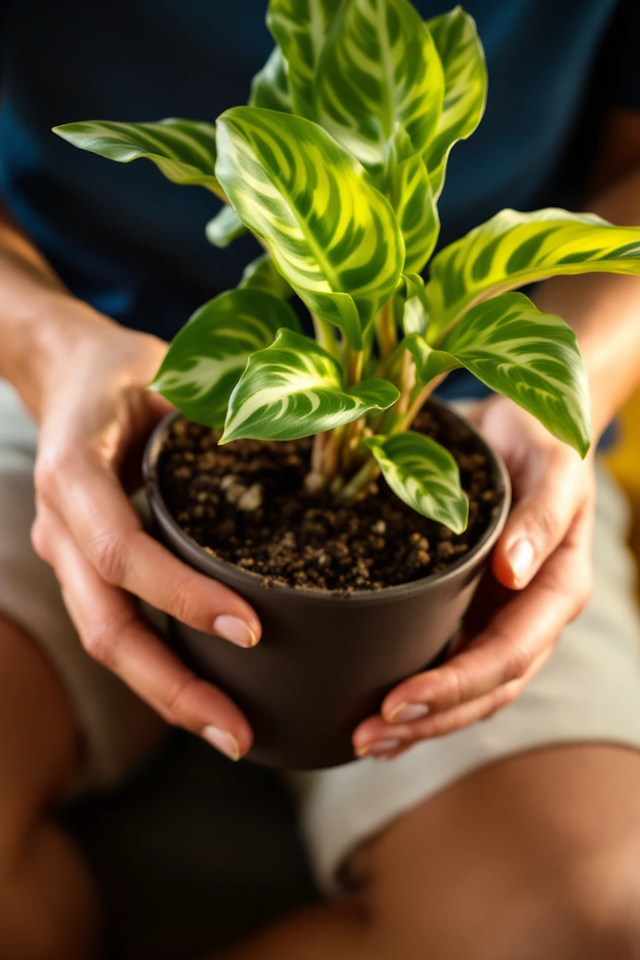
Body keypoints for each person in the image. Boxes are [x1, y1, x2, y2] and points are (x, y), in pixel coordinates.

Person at [1, 0, 640, 957]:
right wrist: (45, 345)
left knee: (590, 921)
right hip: (61, 372)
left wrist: (564, 398)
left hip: (480, 419)